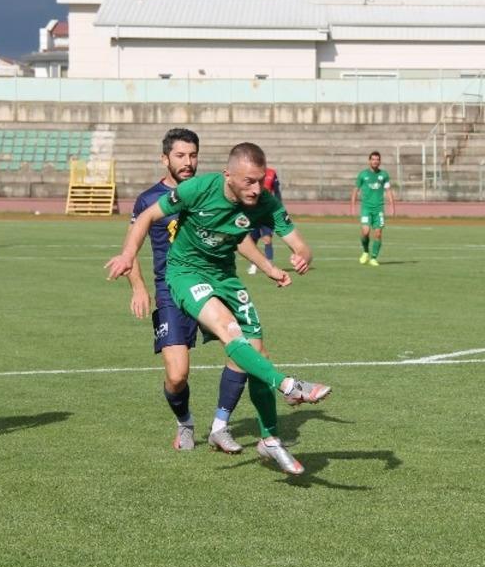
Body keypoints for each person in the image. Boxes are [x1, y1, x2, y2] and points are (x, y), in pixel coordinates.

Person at [106, 142, 331, 476]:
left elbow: (300, 244)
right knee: (229, 331)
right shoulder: (199, 188)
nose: (256, 189)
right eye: (248, 182)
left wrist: (301, 257)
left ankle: (269, 439)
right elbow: (149, 216)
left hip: (225, 278)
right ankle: (287, 385)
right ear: (228, 176)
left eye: (261, 181)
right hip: (184, 273)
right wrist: (127, 256)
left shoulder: (264, 201)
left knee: (257, 353)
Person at [126, 128, 277, 455]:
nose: (188, 162)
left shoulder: (213, 193)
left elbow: (239, 237)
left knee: (242, 346)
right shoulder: (148, 200)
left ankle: (221, 426)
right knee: (177, 374)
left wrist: (267, 267)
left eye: (193, 155)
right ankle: (185, 422)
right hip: (172, 290)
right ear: (165, 158)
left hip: (213, 283)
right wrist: (138, 286)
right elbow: (132, 243)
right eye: (180, 156)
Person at [351, 151, 396, 266]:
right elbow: (355, 190)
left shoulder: (384, 175)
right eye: (373, 159)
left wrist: (392, 206)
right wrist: (352, 206)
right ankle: (365, 252)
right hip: (366, 208)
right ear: (369, 161)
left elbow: (388, 190)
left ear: (380, 161)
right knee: (365, 232)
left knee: (378, 233)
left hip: (379, 209)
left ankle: (374, 258)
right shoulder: (363, 175)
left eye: (377, 159)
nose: (375, 161)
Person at [246, 166, 281, 276]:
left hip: (267, 212)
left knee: (267, 239)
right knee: (253, 240)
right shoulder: (251, 172)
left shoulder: (271, 173)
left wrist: (278, 207)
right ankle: (254, 264)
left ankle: (269, 264)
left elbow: (277, 192)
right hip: (254, 211)